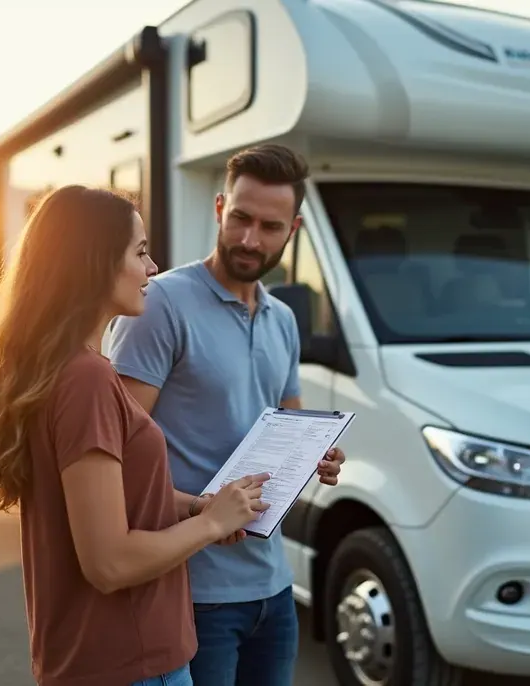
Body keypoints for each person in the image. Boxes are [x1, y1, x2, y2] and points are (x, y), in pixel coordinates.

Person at [0, 184, 271, 686]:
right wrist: (211, 527)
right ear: (94, 262)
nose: (153, 269)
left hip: (96, 660)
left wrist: (198, 507)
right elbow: (108, 562)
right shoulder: (86, 380)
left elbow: (110, 501)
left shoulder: (58, 370)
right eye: (141, 252)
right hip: (133, 663)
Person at [107, 144, 347, 686]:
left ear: (294, 229)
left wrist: (319, 455)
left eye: (269, 226)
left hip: (274, 588)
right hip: (192, 591)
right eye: (240, 218)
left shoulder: (284, 319)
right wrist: (200, 512)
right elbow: (115, 459)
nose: (249, 238)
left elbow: (290, 423)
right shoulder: (161, 304)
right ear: (219, 208)